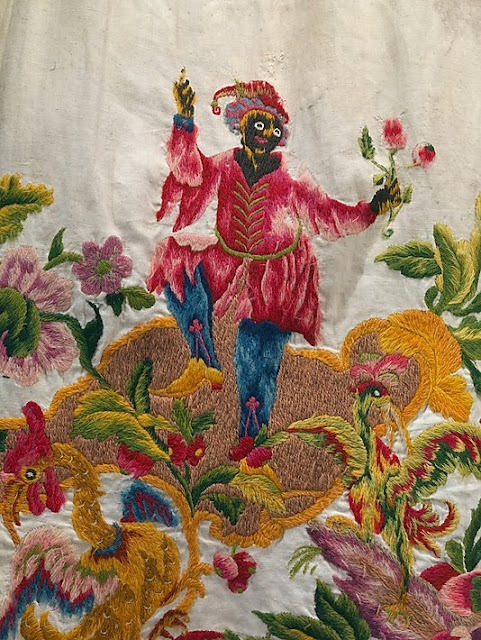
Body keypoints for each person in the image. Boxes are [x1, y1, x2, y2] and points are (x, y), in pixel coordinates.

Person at [147, 71, 387, 438]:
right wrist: (184, 121)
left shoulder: (289, 181)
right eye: (258, 124)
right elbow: (190, 173)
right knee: (175, 259)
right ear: (240, 126)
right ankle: (203, 359)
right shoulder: (225, 164)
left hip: (277, 275)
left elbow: (326, 215)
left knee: (256, 353)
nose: (265, 133)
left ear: (279, 137)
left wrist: (371, 209)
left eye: (273, 128)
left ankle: (252, 433)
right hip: (229, 260)